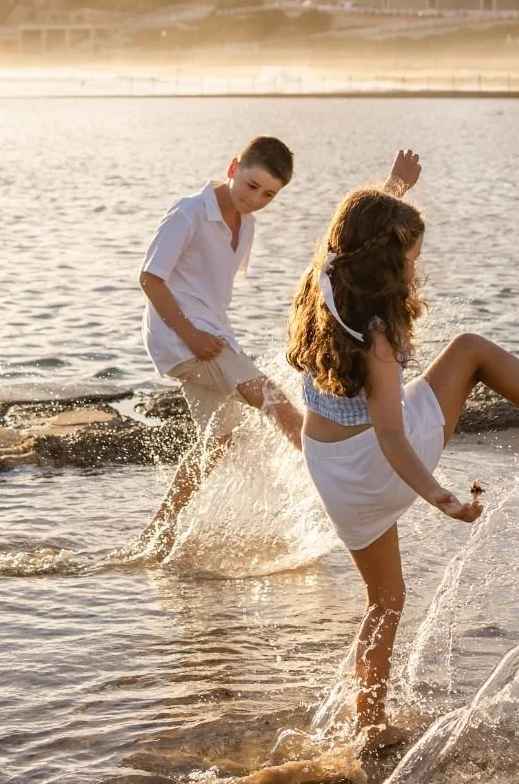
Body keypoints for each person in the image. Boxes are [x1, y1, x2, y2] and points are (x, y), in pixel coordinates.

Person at [285, 173, 519, 752]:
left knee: (385, 598)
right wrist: (441, 497)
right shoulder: (376, 339)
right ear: (385, 262)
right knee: (470, 350)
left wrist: (393, 188)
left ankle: (369, 722)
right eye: (410, 257)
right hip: (379, 460)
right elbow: (389, 434)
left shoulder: (326, 276)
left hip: (331, 469)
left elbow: (355, 233)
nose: (416, 268)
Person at [133, 138, 422, 559]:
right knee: (279, 405)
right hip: (187, 340)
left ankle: (158, 533)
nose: (256, 200)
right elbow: (150, 278)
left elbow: (339, 249)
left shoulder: (243, 222)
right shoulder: (189, 213)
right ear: (233, 167)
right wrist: (192, 336)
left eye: (269, 194)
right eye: (251, 186)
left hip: (211, 338)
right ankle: (353, 495)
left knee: (217, 441)